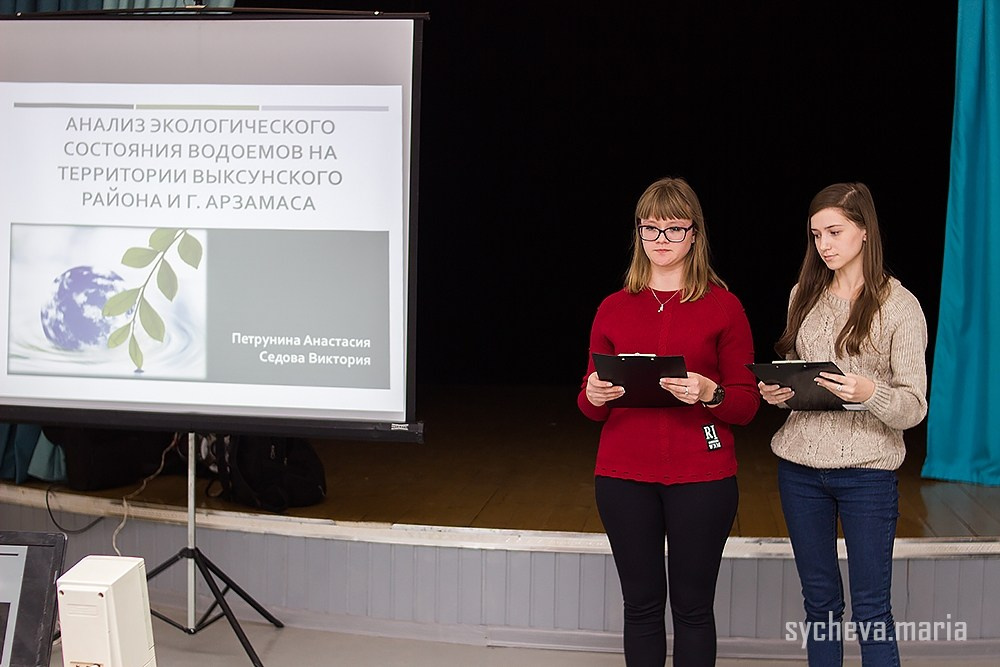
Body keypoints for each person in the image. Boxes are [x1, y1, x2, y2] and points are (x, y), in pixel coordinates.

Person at [578, 176, 759, 666]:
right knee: (640, 607)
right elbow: (590, 405)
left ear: (694, 235)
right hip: (622, 476)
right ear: (638, 233)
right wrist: (593, 392)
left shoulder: (724, 306)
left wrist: (709, 392)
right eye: (650, 229)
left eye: (674, 229)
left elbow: (745, 405)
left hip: (702, 477)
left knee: (693, 609)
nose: (661, 240)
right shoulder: (613, 307)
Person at [759, 182, 927, 666]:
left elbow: (914, 407)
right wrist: (779, 393)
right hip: (799, 469)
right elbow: (796, 375)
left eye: (834, 231)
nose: (824, 245)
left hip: (867, 475)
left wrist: (870, 393)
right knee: (820, 607)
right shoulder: (803, 295)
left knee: (872, 610)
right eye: (816, 235)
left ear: (865, 232)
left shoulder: (900, 305)